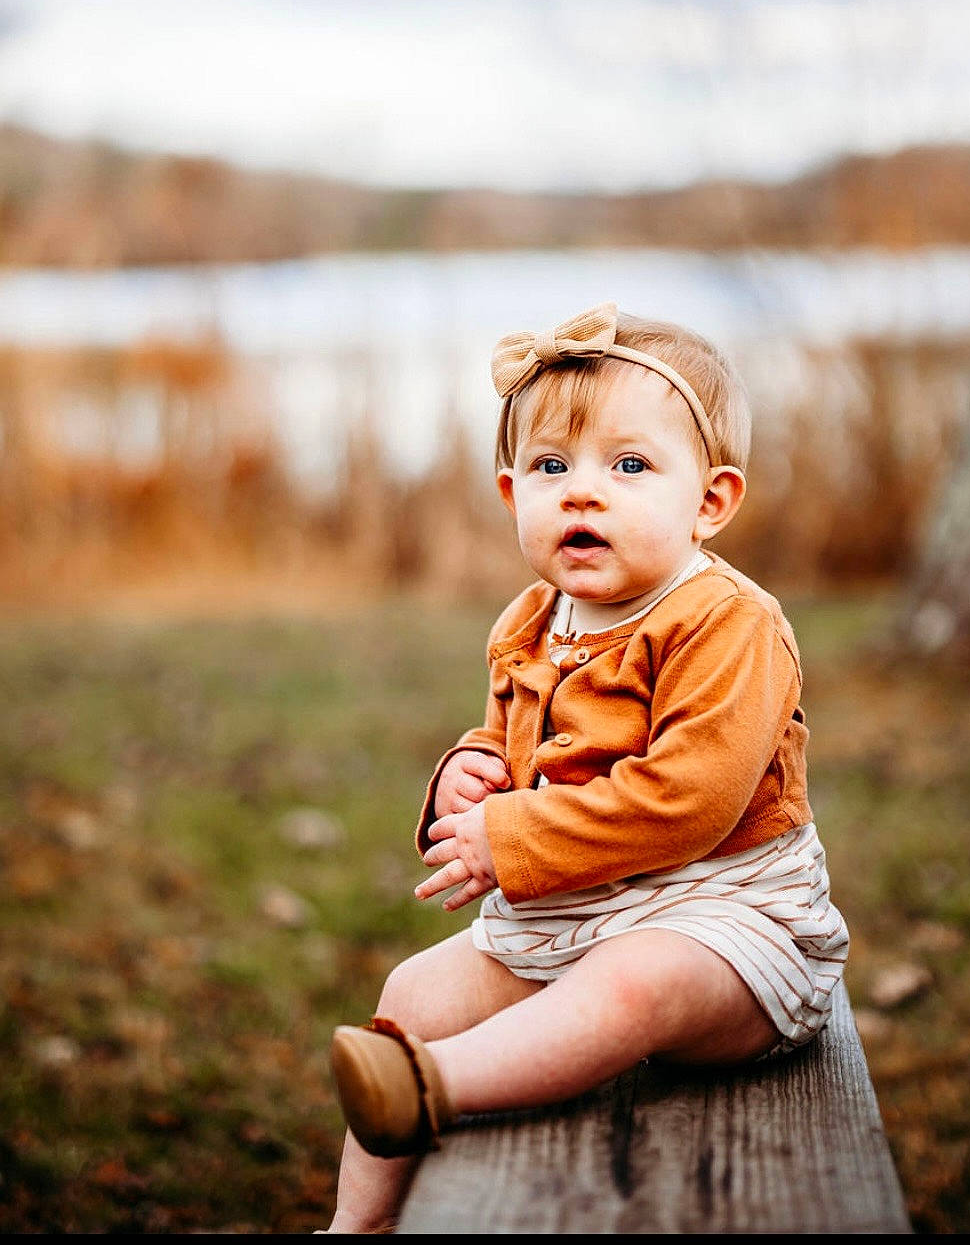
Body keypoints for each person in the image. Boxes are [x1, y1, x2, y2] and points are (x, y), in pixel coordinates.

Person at [322, 302, 848, 1234]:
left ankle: (431, 1084)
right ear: (509, 492)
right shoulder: (531, 619)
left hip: (726, 925)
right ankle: (357, 1224)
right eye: (551, 467)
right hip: (577, 911)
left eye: (630, 465)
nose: (582, 493)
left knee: (630, 983)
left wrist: (514, 837)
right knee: (410, 992)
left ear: (710, 501)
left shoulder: (727, 623)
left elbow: (689, 799)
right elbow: (511, 738)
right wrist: (472, 771)